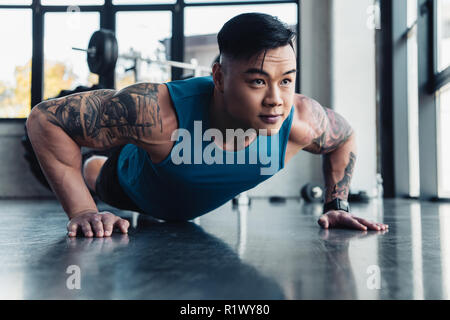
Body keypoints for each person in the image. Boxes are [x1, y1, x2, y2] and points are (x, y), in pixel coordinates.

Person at [26, 13, 388, 238]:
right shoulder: (155, 113)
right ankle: (94, 165)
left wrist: (335, 203)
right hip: (129, 185)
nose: (276, 99)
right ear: (218, 76)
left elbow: (346, 136)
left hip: (180, 202)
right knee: (98, 173)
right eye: (258, 81)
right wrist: (83, 210)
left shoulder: (300, 121)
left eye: (287, 80)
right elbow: (45, 119)